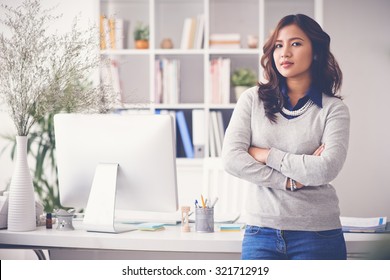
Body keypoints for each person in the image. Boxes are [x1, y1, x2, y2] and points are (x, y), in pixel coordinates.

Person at [222, 14, 350, 260]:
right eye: (278, 45)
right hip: (261, 233)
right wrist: (290, 180)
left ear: (315, 51)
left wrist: (265, 154)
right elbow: (231, 159)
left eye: (296, 43)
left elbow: (326, 169)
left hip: (318, 235)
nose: (284, 53)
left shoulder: (334, 109)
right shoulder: (252, 100)